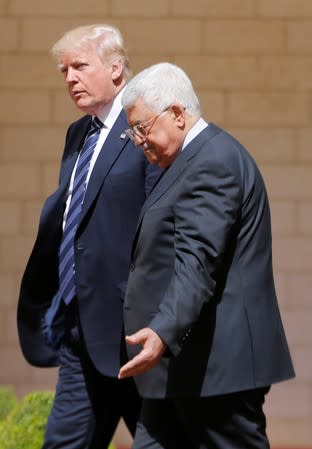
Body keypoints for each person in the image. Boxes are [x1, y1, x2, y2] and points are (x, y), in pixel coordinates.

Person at [118, 62, 295, 449]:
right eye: (132, 132)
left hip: (218, 371)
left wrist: (163, 330)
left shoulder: (213, 162)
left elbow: (197, 264)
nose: (137, 140)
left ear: (177, 114)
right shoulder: (188, 161)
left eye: (141, 128)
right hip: (181, 367)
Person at [17, 25, 161, 449]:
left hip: (137, 333)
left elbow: (159, 224)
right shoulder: (77, 134)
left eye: (80, 66)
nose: (69, 78)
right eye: (64, 70)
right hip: (81, 331)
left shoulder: (144, 124)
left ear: (116, 69)